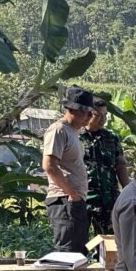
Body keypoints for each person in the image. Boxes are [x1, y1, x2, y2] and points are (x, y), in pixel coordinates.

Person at [43, 85, 95, 253]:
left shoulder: (74, 132)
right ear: (73, 110)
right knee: (67, 252)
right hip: (64, 200)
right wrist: (72, 194)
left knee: (78, 252)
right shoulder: (59, 130)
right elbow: (49, 166)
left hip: (74, 200)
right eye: (86, 112)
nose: (90, 117)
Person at [81, 98, 129, 236]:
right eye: (99, 115)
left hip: (108, 199)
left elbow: (120, 165)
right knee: (78, 242)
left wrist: (128, 189)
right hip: (84, 198)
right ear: (88, 114)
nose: (103, 119)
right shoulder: (76, 136)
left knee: (109, 241)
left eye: (105, 115)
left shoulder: (111, 138)